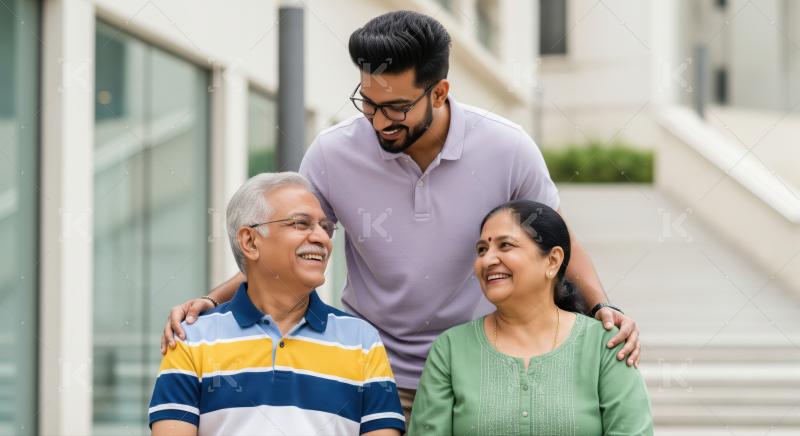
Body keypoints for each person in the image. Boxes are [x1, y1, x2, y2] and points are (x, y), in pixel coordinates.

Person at [160, 11, 641, 421]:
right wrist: (213, 299)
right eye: (367, 102)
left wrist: (603, 307)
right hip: (369, 369)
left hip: (474, 370)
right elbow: (290, 245)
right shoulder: (333, 153)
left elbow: (555, 236)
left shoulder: (507, 147)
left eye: (395, 107)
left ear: (439, 92)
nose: (377, 120)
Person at [149, 173, 404, 436]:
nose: (322, 238)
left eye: (325, 227)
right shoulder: (190, 339)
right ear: (250, 241)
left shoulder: (361, 341)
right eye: (301, 223)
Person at [408, 201, 653, 435]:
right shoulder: (451, 349)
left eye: (505, 246)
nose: (488, 259)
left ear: (553, 260)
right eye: (482, 249)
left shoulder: (605, 345)